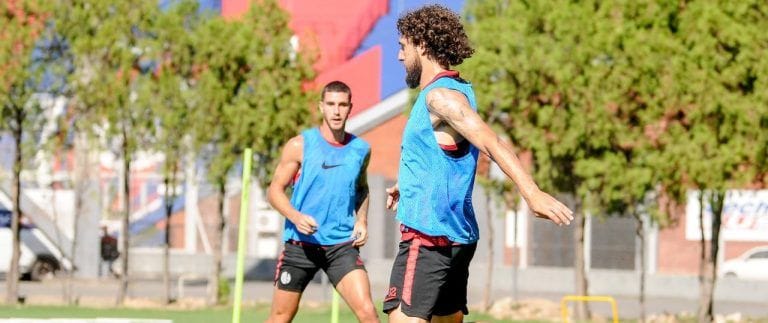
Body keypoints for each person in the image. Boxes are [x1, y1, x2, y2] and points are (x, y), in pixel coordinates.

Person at [383, 5, 575, 322]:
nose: (400, 57)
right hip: (456, 237)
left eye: (403, 47)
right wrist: (409, 183)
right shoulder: (458, 90)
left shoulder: (440, 98)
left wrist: (532, 193)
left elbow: (491, 141)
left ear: (421, 45)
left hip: (429, 238)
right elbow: (446, 153)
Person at [265, 81, 379, 323]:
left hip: (341, 247)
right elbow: (274, 191)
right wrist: (296, 216)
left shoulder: (361, 150)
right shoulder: (300, 145)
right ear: (321, 107)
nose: (336, 111)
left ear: (350, 108)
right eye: (330, 104)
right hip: (300, 245)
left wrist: (362, 220)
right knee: (280, 317)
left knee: (368, 312)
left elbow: (362, 189)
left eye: (342, 105)